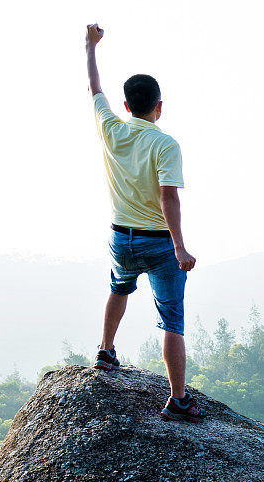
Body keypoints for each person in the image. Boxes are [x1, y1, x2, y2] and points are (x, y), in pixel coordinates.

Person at [85, 22, 205, 422]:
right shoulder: (165, 144)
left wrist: (90, 47)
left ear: (126, 105)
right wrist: (179, 246)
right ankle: (178, 400)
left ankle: (105, 351)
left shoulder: (112, 129)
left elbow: (94, 88)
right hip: (158, 243)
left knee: (119, 287)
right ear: (159, 106)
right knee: (171, 318)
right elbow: (168, 196)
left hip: (121, 237)